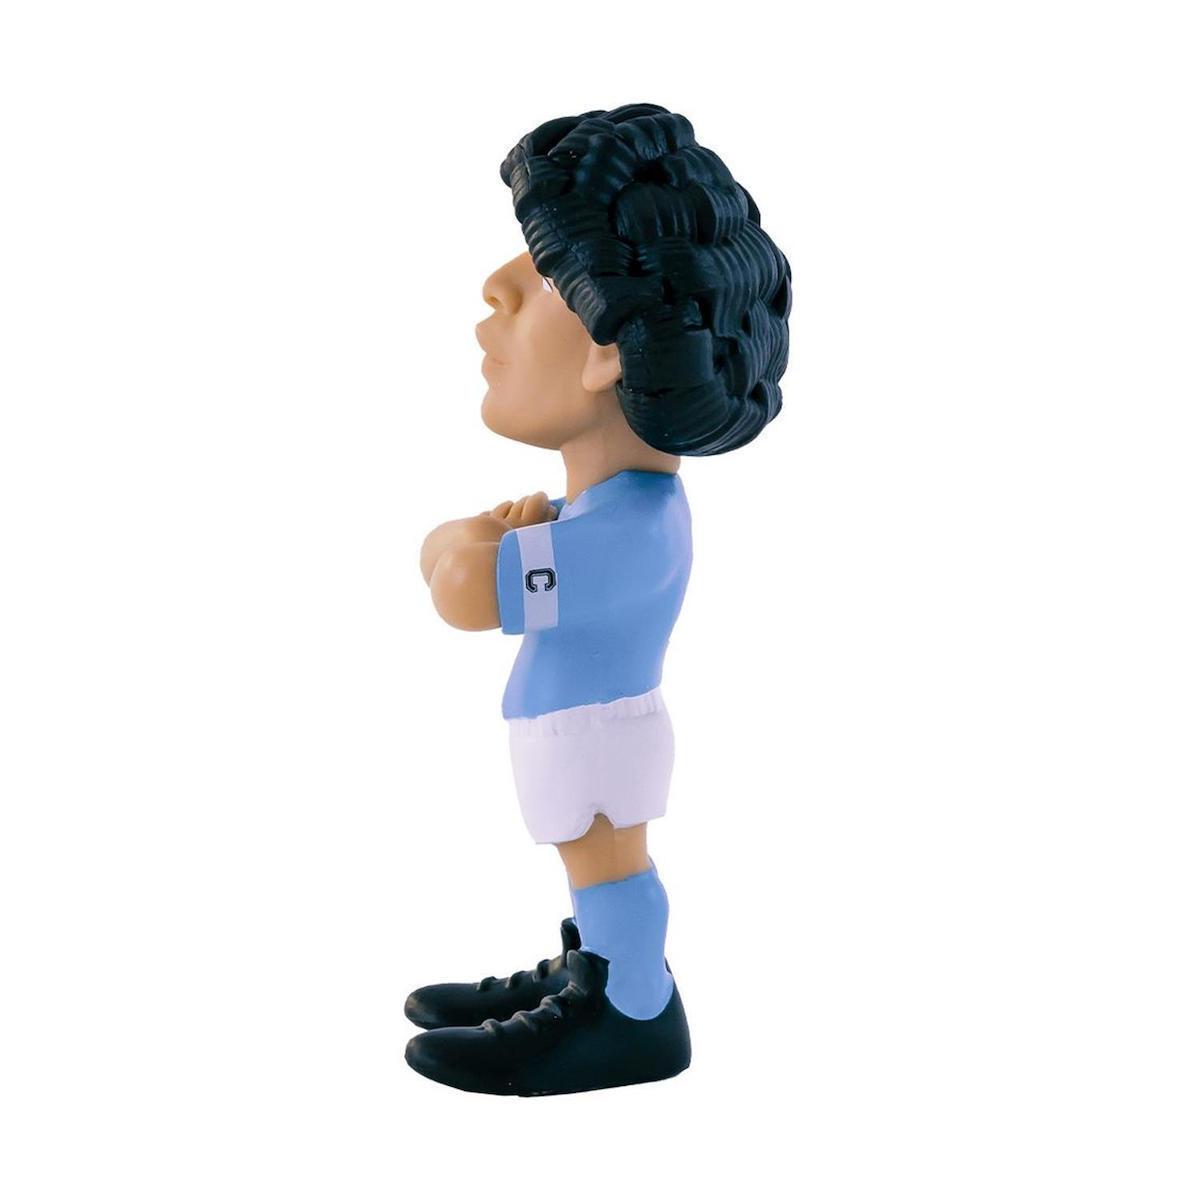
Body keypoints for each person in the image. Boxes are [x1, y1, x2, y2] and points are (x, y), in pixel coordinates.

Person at [404, 103, 791, 1096]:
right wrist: (489, 540)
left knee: (610, 863)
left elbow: (459, 590)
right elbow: (472, 569)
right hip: (583, 731)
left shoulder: (625, 533)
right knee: (592, 863)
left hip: (598, 740)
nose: (496, 289)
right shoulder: (603, 512)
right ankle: (598, 971)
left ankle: (630, 1010)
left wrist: (473, 539)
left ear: (608, 348)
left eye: (540, 273)